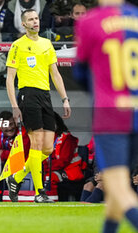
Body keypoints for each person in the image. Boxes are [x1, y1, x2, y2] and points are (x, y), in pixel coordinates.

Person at [74, 0, 138, 232]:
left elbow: (80, 72)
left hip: (111, 116)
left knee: (119, 190)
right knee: (115, 187)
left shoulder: (90, 21)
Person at [5, 9, 71, 203]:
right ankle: (39, 192)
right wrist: (14, 105)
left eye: (36, 18)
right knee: (36, 143)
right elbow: (10, 79)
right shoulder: (17, 46)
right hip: (28, 95)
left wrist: (65, 98)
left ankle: (15, 177)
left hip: (45, 96)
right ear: (24, 24)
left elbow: (55, 74)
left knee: (48, 148)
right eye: (31, 19)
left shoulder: (47, 44)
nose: (35, 22)